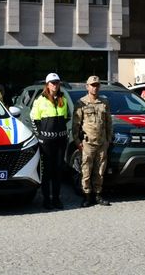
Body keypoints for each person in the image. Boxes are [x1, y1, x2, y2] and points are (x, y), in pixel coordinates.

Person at [30, 72, 70, 210]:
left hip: (60, 141)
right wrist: (40, 136)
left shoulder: (63, 99)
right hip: (46, 142)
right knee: (47, 172)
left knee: (58, 171)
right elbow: (34, 120)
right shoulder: (40, 100)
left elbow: (66, 117)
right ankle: (46, 199)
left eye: (57, 82)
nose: (55, 85)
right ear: (47, 85)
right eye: (53, 83)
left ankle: (56, 199)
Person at [72, 75, 113, 207]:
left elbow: (108, 123)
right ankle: (87, 196)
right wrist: (77, 141)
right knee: (86, 170)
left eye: (97, 85)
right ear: (87, 86)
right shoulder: (81, 103)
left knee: (100, 170)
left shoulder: (104, 102)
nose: (95, 88)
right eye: (92, 85)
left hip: (102, 143)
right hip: (87, 143)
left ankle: (98, 195)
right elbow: (76, 125)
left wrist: (108, 140)